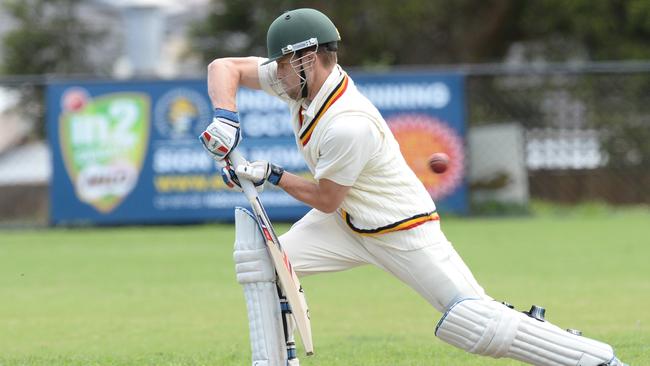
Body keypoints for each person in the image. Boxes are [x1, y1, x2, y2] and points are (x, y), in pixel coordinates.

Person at [199, 8, 627, 366]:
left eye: (282, 62)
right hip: (348, 223)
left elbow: (326, 198)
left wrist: (270, 173)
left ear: (307, 58)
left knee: (473, 319)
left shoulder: (349, 123)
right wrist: (226, 120)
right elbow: (225, 67)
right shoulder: (298, 79)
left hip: (401, 229)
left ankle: (592, 357)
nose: (274, 73)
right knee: (265, 266)